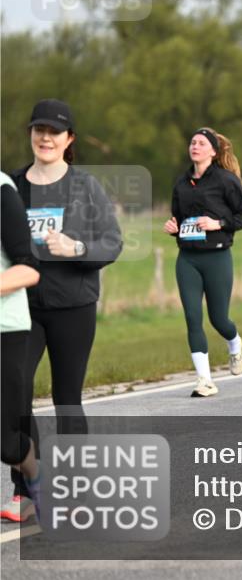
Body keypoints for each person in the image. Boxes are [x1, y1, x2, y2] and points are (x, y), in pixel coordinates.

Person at [8, 99, 122, 514]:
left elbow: (113, 242)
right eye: (38, 129)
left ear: (68, 139)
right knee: (16, 396)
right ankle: (25, 489)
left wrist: (78, 247)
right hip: (22, 308)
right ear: (31, 134)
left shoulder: (85, 187)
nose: (45, 137)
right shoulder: (12, 187)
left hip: (74, 306)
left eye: (54, 131)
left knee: (67, 398)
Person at [164, 127, 242, 397]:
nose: (195, 146)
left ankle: (235, 344)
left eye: (201, 143)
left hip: (217, 257)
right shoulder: (181, 183)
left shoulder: (226, 180)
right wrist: (173, 227)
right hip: (188, 259)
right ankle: (204, 380)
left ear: (213, 152)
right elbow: (179, 219)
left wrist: (218, 223)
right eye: (192, 142)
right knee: (192, 318)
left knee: (219, 319)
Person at [1, 171, 43, 523]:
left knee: (5, 441)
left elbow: (28, 268)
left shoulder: (2, 190)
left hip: (5, 328)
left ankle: (37, 478)